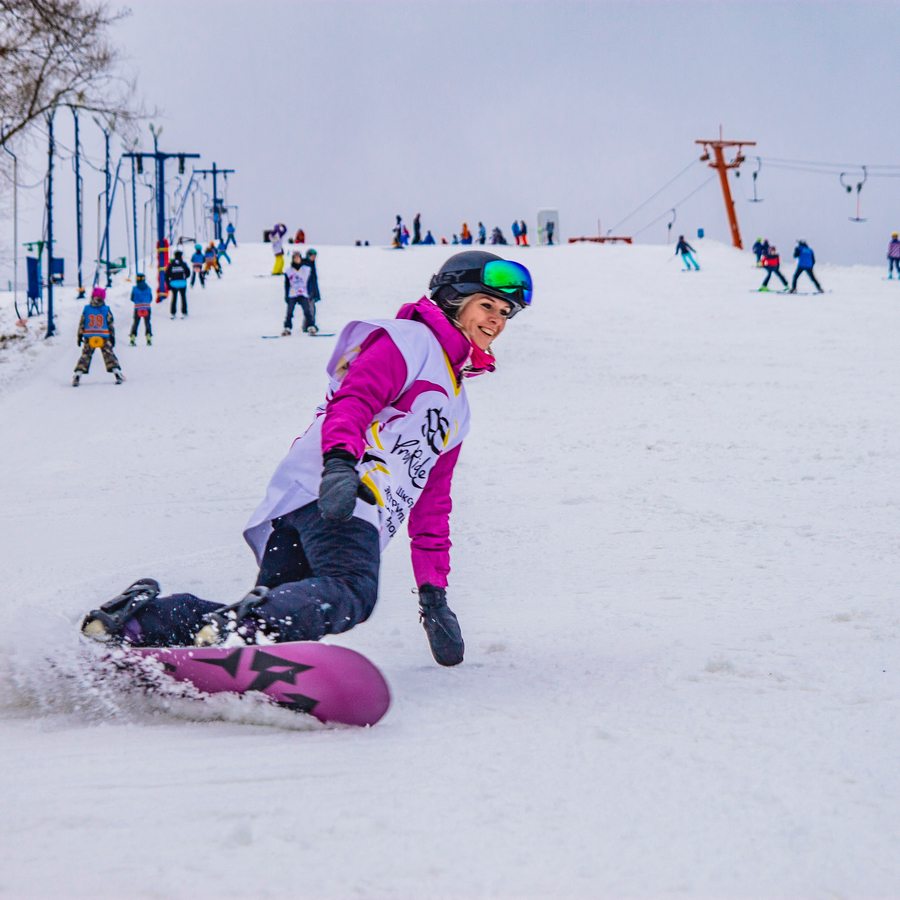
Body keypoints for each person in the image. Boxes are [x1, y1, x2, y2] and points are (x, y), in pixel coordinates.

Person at [80, 250, 533, 668]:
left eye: (505, 312)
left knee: (274, 615)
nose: (497, 320)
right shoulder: (409, 342)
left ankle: (139, 621)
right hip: (341, 492)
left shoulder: (458, 407)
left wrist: (434, 596)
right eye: (486, 306)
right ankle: (240, 627)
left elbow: (432, 506)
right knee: (350, 590)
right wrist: (338, 464)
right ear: (454, 300)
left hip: (316, 501)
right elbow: (354, 400)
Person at [72, 287, 124, 386]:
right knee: (109, 356)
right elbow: (110, 324)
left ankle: (77, 375)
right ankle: (117, 373)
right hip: (103, 336)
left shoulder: (87, 309)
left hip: (89, 336)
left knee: (85, 356)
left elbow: (82, 323)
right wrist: (112, 337)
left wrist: (79, 336)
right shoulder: (106, 309)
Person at [282, 251, 318, 336]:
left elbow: (310, 282)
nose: (297, 260)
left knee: (307, 311)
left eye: (298, 258)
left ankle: (310, 326)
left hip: (303, 292)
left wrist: (310, 292)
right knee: (289, 312)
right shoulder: (289, 271)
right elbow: (286, 284)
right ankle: (287, 327)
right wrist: (286, 295)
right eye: (295, 258)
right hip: (292, 293)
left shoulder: (306, 269)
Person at [129, 273, 154, 345]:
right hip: (147, 307)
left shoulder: (135, 288)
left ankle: (132, 338)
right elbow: (150, 298)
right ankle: (149, 338)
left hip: (138, 308)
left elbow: (132, 298)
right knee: (147, 323)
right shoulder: (148, 288)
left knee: (135, 323)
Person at [165, 250, 191, 319]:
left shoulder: (171, 264)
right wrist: (184, 278)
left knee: (174, 298)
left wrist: (168, 284)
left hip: (173, 283)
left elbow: (167, 275)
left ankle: (173, 313)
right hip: (182, 283)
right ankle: (184, 312)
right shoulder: (183, 264)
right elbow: (188, 273)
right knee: (183, 297)